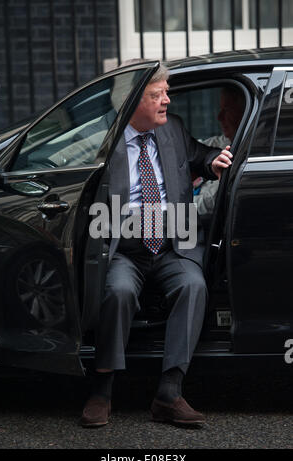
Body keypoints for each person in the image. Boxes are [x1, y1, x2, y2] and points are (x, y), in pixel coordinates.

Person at [79, 64, 233, 428]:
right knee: (116, 292)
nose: (167, 100)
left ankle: (169, 392)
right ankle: (102, 389)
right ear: (132, 101)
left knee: (193, 286)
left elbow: (199, 154)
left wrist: (214, 161)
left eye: (166, 92)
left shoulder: (174, 128)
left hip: (171, 244)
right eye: (156, 94)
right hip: (124, 249)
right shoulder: (107, 141)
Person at [194, 86, 245, 215]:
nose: (219, 117)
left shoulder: (243, 153)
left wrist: (170, 209)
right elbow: (198, 150)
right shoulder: (224, 141)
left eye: (227, 110)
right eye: (220, 109)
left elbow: (212, 202)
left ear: (244, 113)